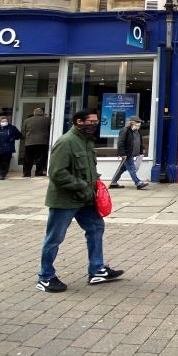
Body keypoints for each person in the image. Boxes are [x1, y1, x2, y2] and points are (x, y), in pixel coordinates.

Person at [37, 109, 123, 292]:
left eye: (96, 122)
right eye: (91, 121)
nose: (94, 125)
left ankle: (97, 270)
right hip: (65, 200)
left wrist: (95, 184)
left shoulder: (85, 142)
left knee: (96, 228)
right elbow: (57, 173)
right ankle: (45, 276)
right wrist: (83, 186)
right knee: (54, 238)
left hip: (85, 199)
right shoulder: (66, 142)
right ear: (79, 121)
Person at [109, 116, 147, 190]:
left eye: (140, 123)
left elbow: (139, 141)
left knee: (121, 169)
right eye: (138, 122)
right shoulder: (125, 130)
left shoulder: (137, 131)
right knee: (132, 168)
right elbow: (120, 142)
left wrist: (142, 149)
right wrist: (122, 154)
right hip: (127, 154)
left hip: (132, 153)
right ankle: (138, 183)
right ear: (132, 123)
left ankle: (113, 183)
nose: (139, 124)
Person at [0, 115, 22, 180]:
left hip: (7, 147)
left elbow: (19, 135)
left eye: (6, 121)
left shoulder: (12, 128)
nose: (4, 122)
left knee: (5, 162)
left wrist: (12, 138)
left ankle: (2, 174)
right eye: (3, 121)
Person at [22, 108, 51, 177]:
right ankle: (39, 173)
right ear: (42, 113)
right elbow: (50, 130)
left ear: (34, 113)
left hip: (29, 142)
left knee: (28, 159)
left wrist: (24, 139)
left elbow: (23, 131)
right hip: (43, 142)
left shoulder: (27, 120)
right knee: (41, 159)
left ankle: (27, 173)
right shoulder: (47, 120)